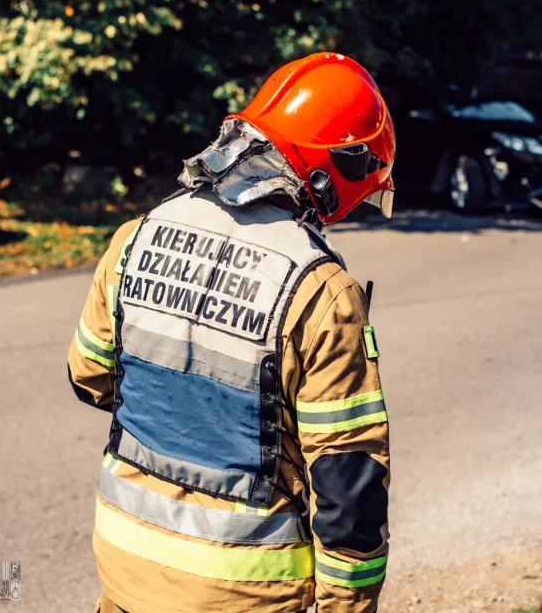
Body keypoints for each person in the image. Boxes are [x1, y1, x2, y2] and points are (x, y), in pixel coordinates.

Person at [68, 52, 395, 613]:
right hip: (242, 592)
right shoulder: (322, 291)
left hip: (125, 565)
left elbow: (91, 376)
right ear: (337, 168)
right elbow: (347, 482)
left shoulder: (136, 237)